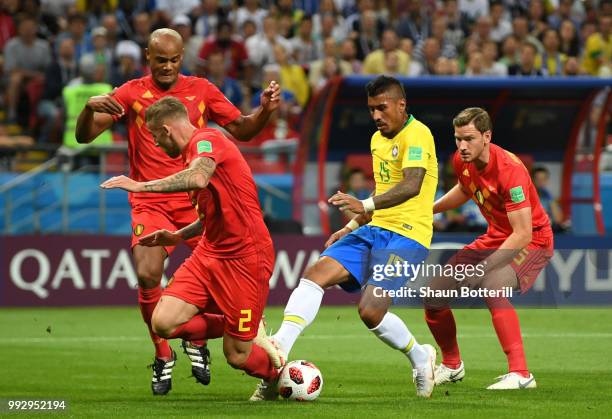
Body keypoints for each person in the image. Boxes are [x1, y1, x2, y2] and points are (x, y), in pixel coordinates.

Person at [75, 28, 280, 396]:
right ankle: (165, 352)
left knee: (237, 352)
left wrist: (264, 111)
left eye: (174, 60)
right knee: (152, 284)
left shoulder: (203, 129)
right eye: (160, 60)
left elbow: (218, 156)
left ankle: (268, 364)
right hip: (168, 214)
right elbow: (84, 137)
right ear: (147, 57)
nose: (167, 66)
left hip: (222, 231)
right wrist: (89, 107)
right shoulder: (132, 93)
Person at [253, 75, 438, 401]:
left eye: (382, 108)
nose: (377, 116)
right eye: (371, 110)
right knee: (314, 276)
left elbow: (412, 185)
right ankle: (279, 350)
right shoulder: (377, 140)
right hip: (374, 229)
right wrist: (351, 226)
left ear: (401, 105)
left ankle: (421, 357)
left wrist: (363, 204)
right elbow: (383, 192)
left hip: (408, 239)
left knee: (370, 311)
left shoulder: (418, 134)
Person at [425, 107, 554, 390]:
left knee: (492, 284)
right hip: (495, 236)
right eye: (457, 138)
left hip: (533, 240)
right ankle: (451, 365)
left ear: (487, 136)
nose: (461, 146)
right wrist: (430, 209)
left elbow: (521, 233)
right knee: (434, 294)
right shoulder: (462, 160)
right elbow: (465, 188)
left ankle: (521, 374)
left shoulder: (511, 171)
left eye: (468, 139)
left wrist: (483, 267)